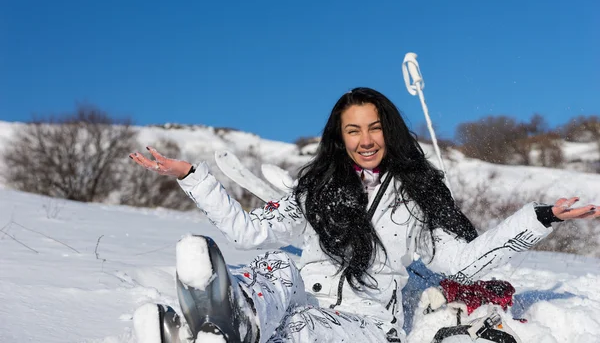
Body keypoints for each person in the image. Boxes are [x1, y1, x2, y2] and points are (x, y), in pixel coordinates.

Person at [130, 87, 598, 343]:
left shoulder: (417, 195)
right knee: (273, 266)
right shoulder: (315, 188)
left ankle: (209, 336)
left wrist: (540, 217)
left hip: (368, 327)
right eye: (354, 130)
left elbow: (464, 263)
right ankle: (231, 323)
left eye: (374, 127)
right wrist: (193, 175)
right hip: (303, 304)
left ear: (389, 131)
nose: (366, 139)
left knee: (297, 329)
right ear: (341, 136)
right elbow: (250, 233)